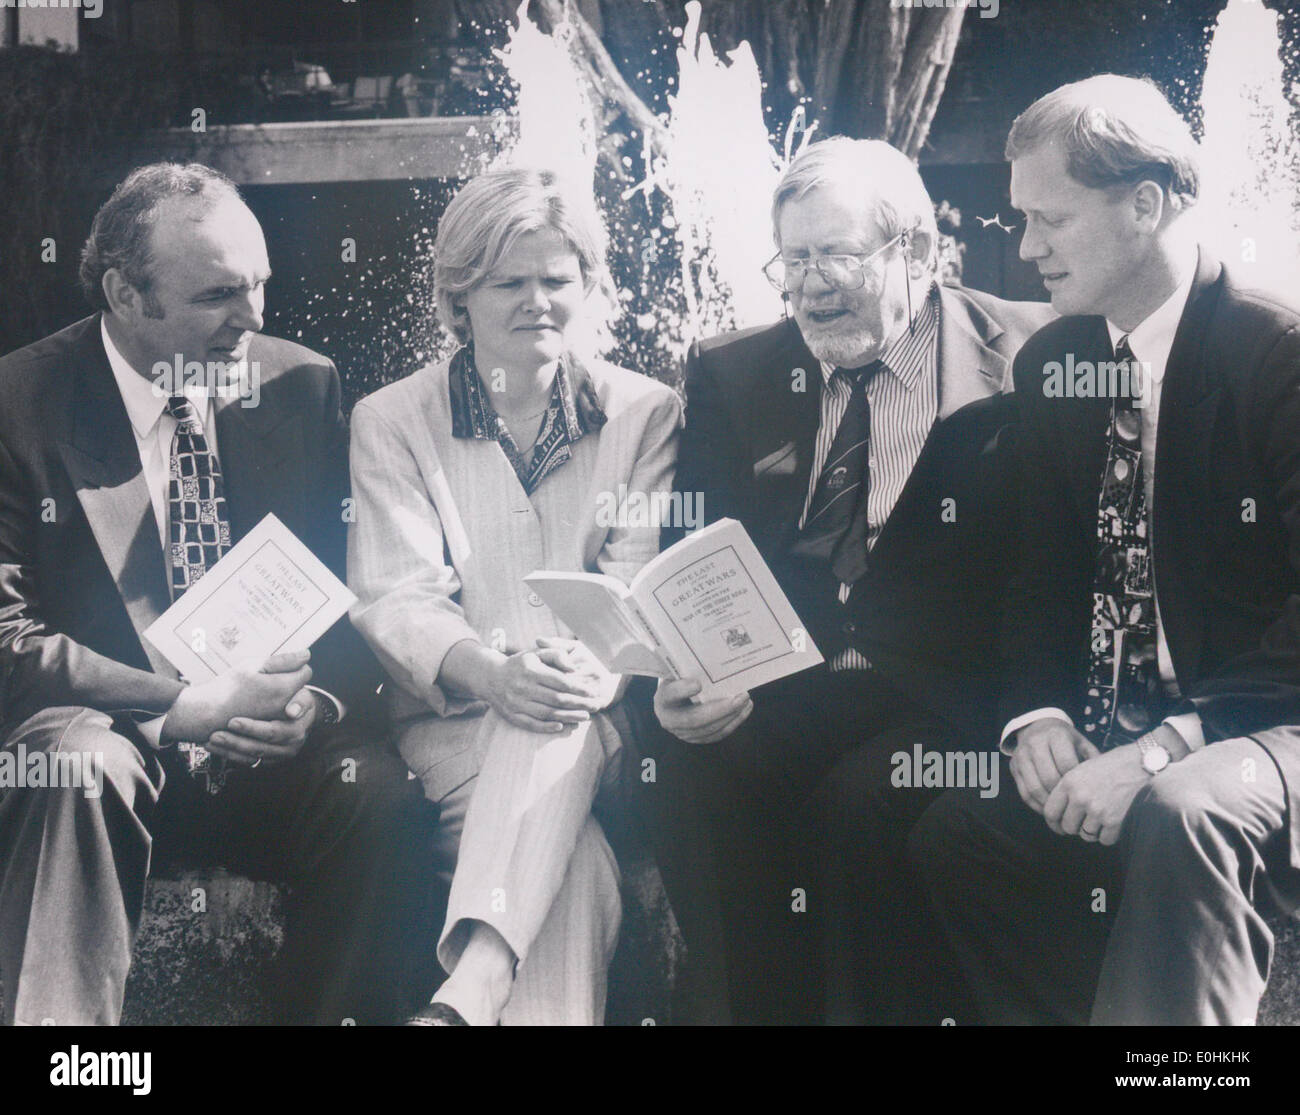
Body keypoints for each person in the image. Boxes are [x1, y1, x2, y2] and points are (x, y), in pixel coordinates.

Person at [0, 162, 440, 1026]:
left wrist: (312, 704)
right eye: (218, 296)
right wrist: (183, 704)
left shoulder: (300, 384)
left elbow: (352, 598)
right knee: (75, 765)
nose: (254, 319)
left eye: (261, 286)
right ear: (127, 294)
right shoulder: (20, 403)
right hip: (113, 745)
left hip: (267, 755)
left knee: (380, 793)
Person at [910, 74, 1300, 1025]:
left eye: (1051, 219)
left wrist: (1170, 744)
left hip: (1269, 721)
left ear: (1146, 204)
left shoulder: (1278, 354)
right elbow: (1043, 574)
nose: (1025, 246)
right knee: (960, 830)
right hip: (1139, 718)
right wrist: (1037, 716)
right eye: (1021, 218)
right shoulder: (1056, 362)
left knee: (1183, 813)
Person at [645, 136, 1054, 1024]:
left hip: (945, 695)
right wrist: (689, 673)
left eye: (836, 254)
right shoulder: (732, 372)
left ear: (914, 249)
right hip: (790, 684)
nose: (811, 285)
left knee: (864, 803)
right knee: (684, 764)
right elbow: (699, 556)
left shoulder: (1030, 358)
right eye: (794, 260)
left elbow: (1052, 564)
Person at [347, 167, 683, 1026]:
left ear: (588, 287)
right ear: (458, 297)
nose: (537, 300)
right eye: (510, 281)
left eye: (557, 279)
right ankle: (482, 981)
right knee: (578, 869)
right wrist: (496, 674)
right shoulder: (393, 419)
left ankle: (469, 989)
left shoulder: (645, 412)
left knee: (561, 716)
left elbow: (634, 586)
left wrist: (579, 671)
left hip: (594, 722)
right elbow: (397, 597)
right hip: (453, 729)